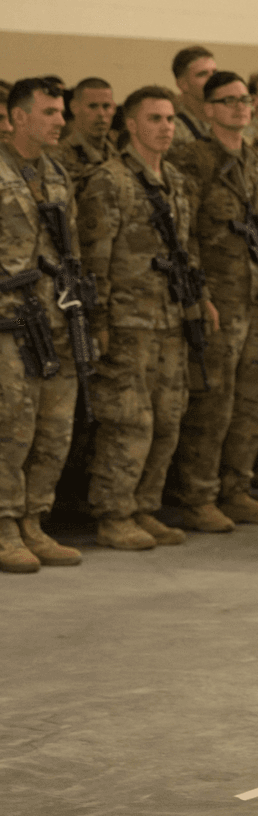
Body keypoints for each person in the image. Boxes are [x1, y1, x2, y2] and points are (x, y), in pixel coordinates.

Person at [78, 85, 216, 550]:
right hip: (127, 322)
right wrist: (98, 322)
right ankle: (114, 513)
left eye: (171, 119)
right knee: (128, 420)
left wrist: (201, 299)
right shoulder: (109, 181)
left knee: (168, 417)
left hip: (171, 318)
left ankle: (144, 506)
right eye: (155, 119)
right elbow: (95, 260)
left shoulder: (175, 180)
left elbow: (187, 248)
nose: (166, 128)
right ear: (131, 124)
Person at [168, 70, 258, 533]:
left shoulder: (256, 162)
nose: (241, 108)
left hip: (256, 296)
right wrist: (199, 293)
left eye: (245, 100)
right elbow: (182, 232)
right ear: (208, 109)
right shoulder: (192, 159)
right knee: (212, 402)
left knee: (250, 401)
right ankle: (198, 495)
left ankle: (236, 489)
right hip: (219, 298)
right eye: (229, 100)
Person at [0, 78, 84, 572]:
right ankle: (4, 525)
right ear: (18, 117)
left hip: (56, 314)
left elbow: (70, 247)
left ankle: (34, 520)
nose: (60, 121)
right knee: (11, 425)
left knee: (54, 426)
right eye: (49, 112)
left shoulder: (56, 173)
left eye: (61, 112)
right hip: (9, 318)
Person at [55, 77, 120, 190]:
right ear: (74, 107)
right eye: (92, 106)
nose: (101, 114)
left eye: (106, 106)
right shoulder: (57, 158)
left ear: (113, 109)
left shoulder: (117, 155)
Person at [169, 46, 217, 146]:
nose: (213, 79)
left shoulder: (229, 117)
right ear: (183, 84)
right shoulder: (172, 127)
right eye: (202, 74)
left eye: (214, 73)